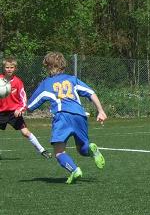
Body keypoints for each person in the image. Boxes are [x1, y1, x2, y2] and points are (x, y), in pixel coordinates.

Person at [26, 52, 108, 184]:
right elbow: (91, 92)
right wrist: (101, 111)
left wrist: (21, 107)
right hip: (80, 115)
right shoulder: (72, 79)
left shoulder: (46, 84)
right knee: (82, 149)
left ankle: (75, 170)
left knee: (59, 152)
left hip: (62, 116)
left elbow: (30, 106)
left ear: (49, 66)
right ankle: (91, 150)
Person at [0, 56, 52, 160]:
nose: (9, 69)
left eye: (11, 67)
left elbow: (23, 98)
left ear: (15, 68)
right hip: (1, 112)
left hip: (14, 113)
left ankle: (42, 150)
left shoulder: (18, 82)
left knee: (25, 132)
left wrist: (20, 109)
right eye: (7, 67)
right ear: (3, 68)